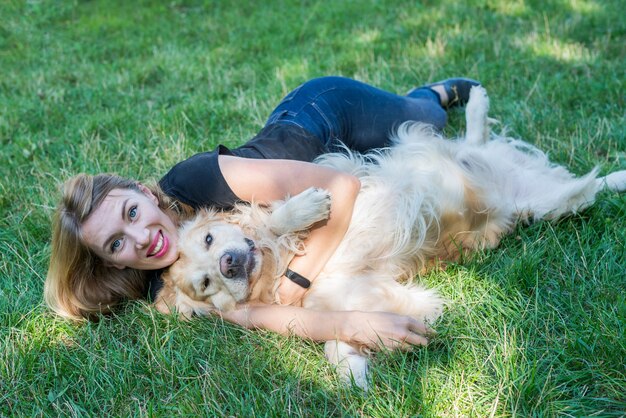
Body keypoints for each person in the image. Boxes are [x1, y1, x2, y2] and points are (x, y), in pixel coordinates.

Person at [45, 76, 479, 351]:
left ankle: (430, 92)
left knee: (424, 119)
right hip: (327, 168)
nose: (140, 238)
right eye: (116, 243)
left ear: (144, 192)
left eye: (132, 213)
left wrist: (297, 279)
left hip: (325, 120)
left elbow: (341, 187)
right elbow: (251, 315)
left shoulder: (198, 179)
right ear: (111, 261)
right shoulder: (166, 285)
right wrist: (349, 326)